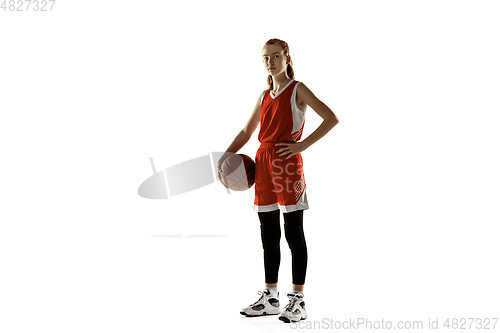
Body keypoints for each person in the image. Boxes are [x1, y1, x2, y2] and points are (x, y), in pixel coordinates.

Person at [218, 38, 339, 323]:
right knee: (268, 234)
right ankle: (270, 297)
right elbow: (247, 131)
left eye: (275, 56)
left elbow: (331, 118)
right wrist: (224, 157)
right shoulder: (263, 95)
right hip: (262, 164)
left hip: (287, 165)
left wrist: (302, 145)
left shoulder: (298, 89)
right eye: (265, 57)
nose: (270, 62)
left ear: (286, 57)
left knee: (293, 232)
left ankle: (297, 301)